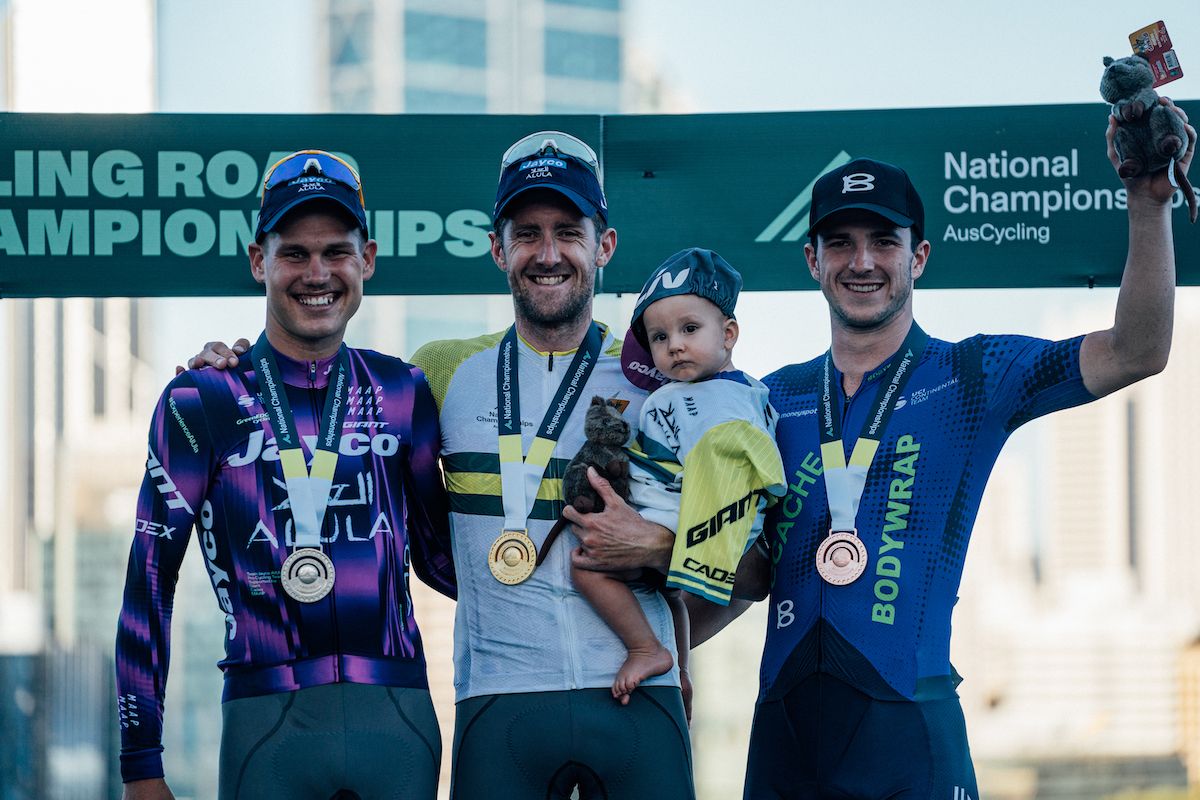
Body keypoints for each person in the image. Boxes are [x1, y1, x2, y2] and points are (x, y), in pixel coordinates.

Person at [187, 133, 693, 800]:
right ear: (496, 247)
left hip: (640, 699)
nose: (548, 253)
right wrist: (242, 370)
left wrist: (662, 550)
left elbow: (750, 555)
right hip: (497, 697)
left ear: (605, 246)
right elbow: (327, 397)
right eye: (526, 233)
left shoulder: (665, 376)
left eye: (568, 231)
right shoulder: (441, 371)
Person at [716, 104, 1194, 799]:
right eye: (840, 242)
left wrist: (1148, 204)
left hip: (911, 738)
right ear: (812, 258)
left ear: (919, 257)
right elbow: (744, 574)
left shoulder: (974, 375)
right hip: (783, 746)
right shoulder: (765, 398)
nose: (862, 261)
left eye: (883, 240)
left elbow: (1138, 350)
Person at [115, 150, 456, 800]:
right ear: (258, 261)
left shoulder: (403, 390)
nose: (317, 272)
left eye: (336, 251)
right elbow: (148, 585)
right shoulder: (200, 402)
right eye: (294, 253)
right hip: (265, 722)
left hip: (401, 720)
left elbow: (446, 564)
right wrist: (141, 763)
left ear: (368, 260)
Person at [573, 247, 785, 704]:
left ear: (728, 334)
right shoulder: (740, 393)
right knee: (666, 598)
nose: (675, 345)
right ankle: (680, 668)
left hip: (679, 519)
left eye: (690, 329)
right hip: (683, 520)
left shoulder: (715, 402)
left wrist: (681, 537)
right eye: (659, 337)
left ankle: (645, 647)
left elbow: (733, 467)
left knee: (587, 570)